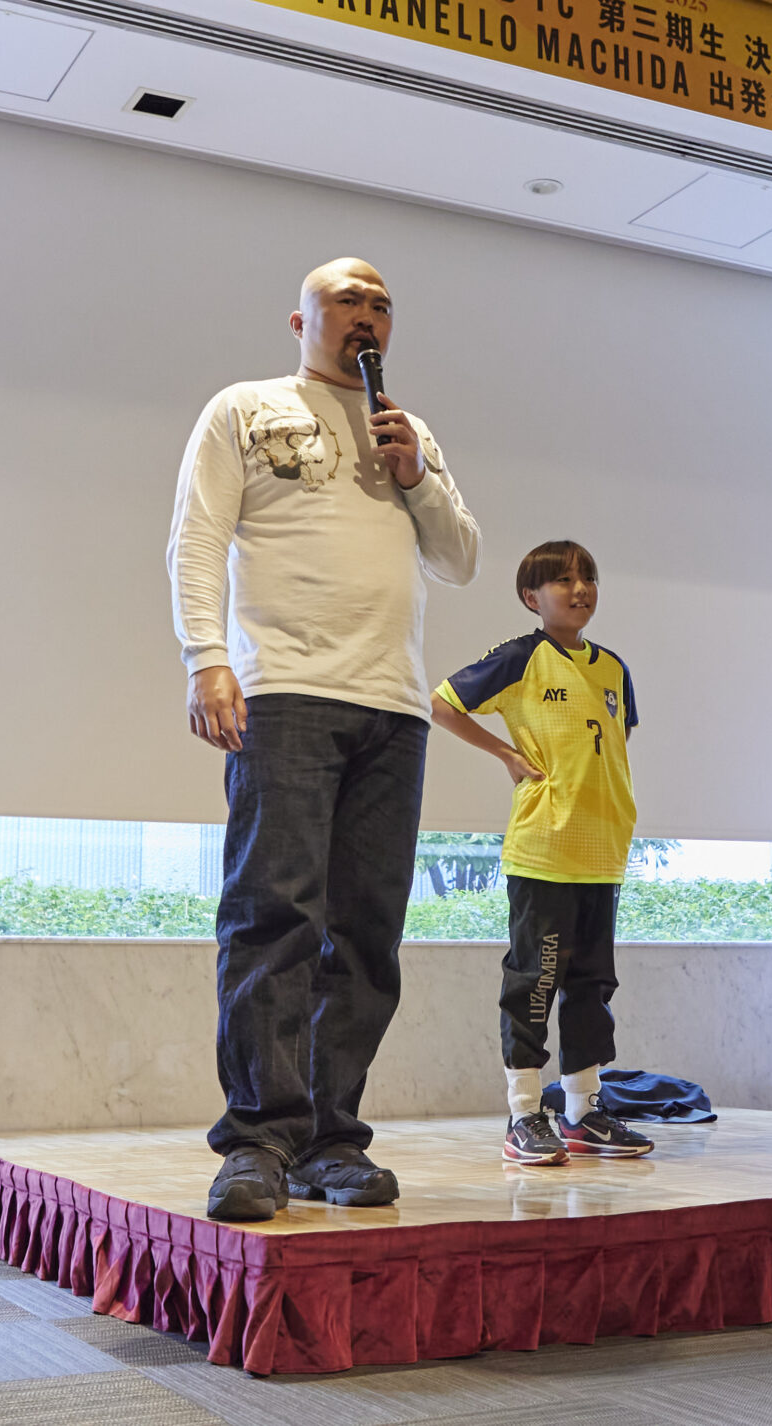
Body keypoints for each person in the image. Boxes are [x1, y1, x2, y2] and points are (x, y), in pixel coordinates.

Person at [168, 257, 482, 1220]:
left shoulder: (409, 430)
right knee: (274, 918)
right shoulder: (244, 407)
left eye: (382, 303)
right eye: (348, 299)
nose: (367, 314)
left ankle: (330, 1139)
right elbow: (197, 536)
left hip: (394, 704)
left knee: (367, 933)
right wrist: (206, 658)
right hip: (284, 694)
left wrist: (416, 474)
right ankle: (259, 1139)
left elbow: (461, 558)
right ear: (300, 319)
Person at [431, 541, 655, 1167]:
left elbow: (614, 742)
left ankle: (583, 1111)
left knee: (592, 986)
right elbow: (443, 704)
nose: (579, 589)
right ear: (532, 597)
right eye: (562, 580)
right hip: (544, 850)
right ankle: (525, 1113)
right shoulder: (522, 658)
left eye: (588, 578)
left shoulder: (613, 669)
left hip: (603, 851)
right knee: (536, 980)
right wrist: (505, 753)